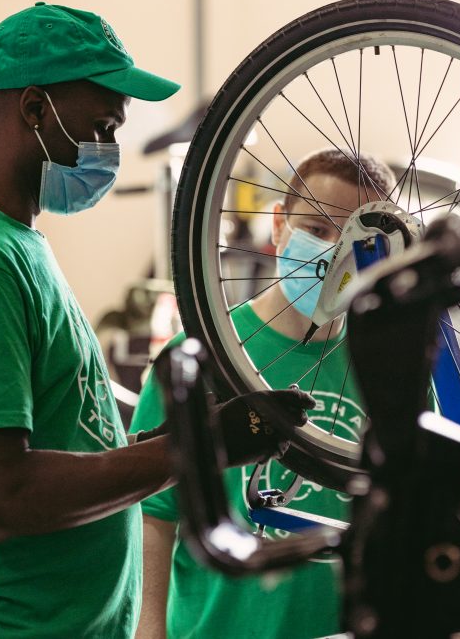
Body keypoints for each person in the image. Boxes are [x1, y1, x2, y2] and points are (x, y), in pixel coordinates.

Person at [0, 2, 313, 639]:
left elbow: (74, 451)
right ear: (35, 109)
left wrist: (198, 434)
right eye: (101, 126)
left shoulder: (17, 243)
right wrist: (201, 447)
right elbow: (3, 497)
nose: (109, 150)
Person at [131, 148, 396, 639]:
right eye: (316, 230)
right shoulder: (196, 358)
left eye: (354, 238)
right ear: (278, 226)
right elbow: (152, 518)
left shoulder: (392, 369)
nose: (333, 251)